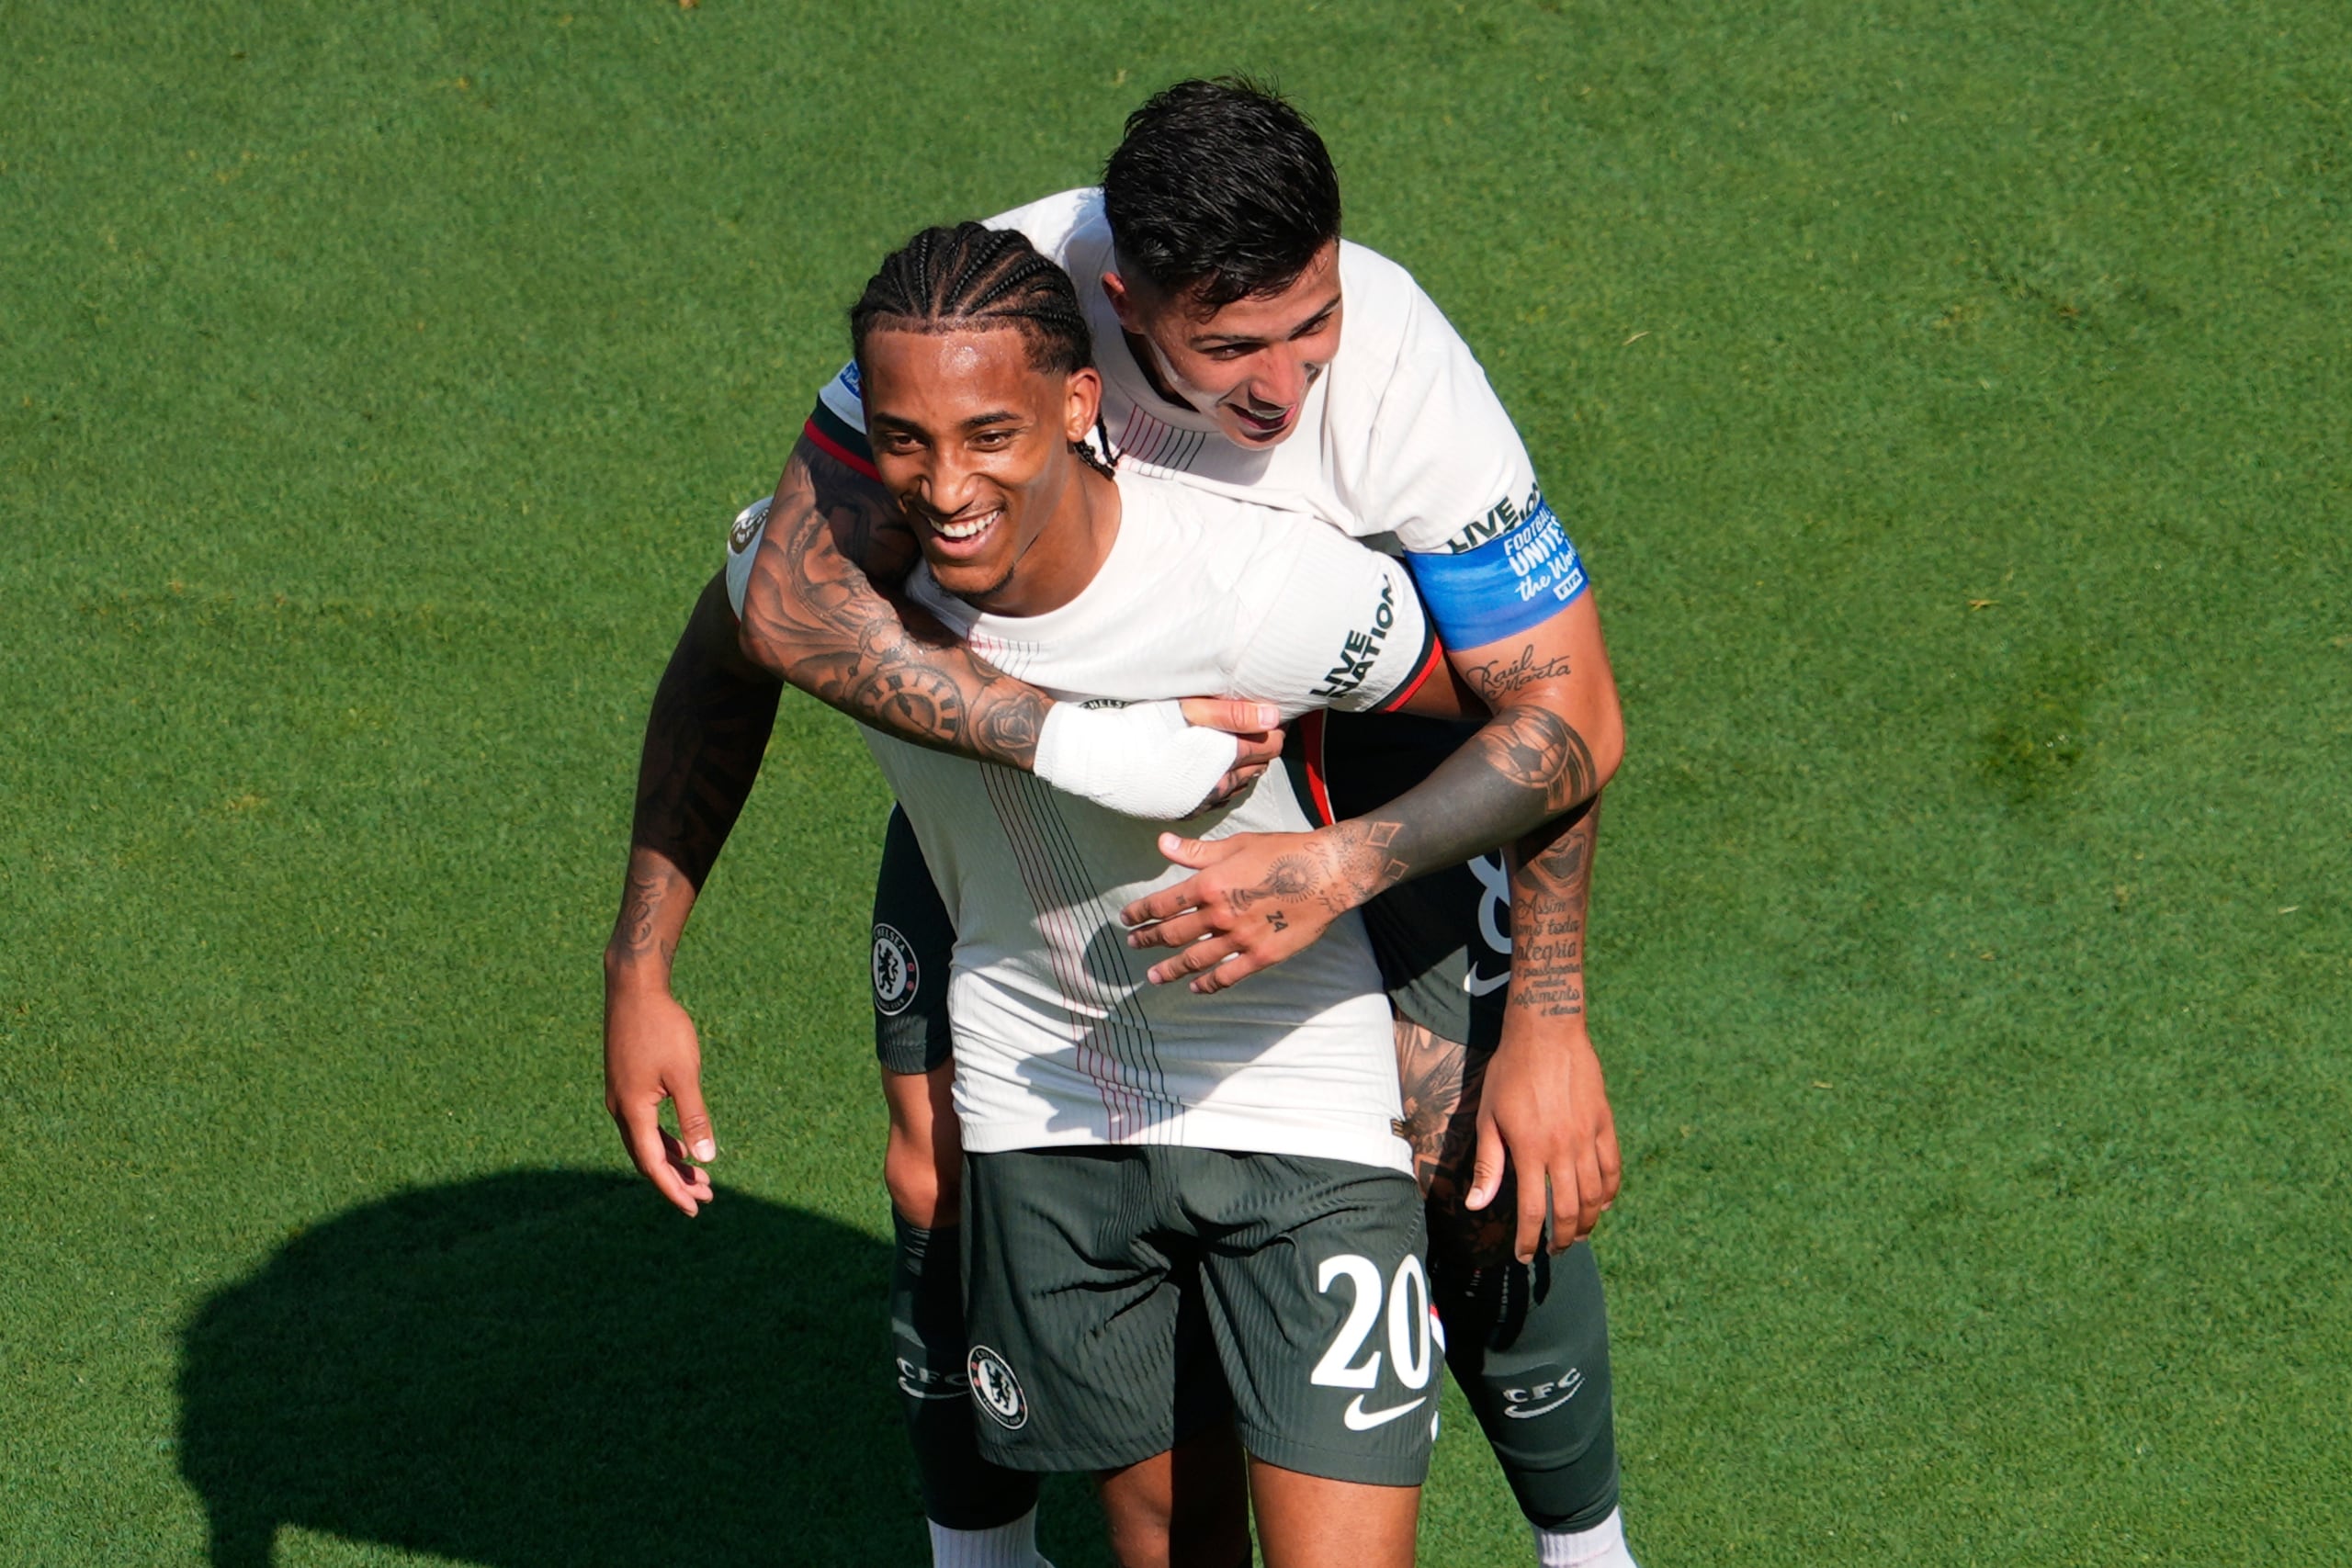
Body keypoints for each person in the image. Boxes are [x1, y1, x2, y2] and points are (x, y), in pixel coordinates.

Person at [606, 81, 1635, 1568]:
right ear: (1114, 316)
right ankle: (989, 1545)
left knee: (1478, 1151)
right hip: (1013, 788)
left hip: (1339, 763)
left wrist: (1535, 1010)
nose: (1288, 389)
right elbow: (777, 608)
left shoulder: (1397, 377)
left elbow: (1562, 716)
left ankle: (1587, 1550)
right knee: (938, 1172)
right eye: (1230, 349)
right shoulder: (985, 326)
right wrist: (1083, 748)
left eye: (1313, 319)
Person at [813, 220, 1475, 1567]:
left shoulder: (1266, 589)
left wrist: (1347, 869)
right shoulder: (830, 590)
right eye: (903, 440)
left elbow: (1532, 716)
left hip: (1303, 1085)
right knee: (1166, 1541)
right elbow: (740, 647)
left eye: (988, 434)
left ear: (1076, 404)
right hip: (1050, 1103)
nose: (944, 487)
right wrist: (641, 965)